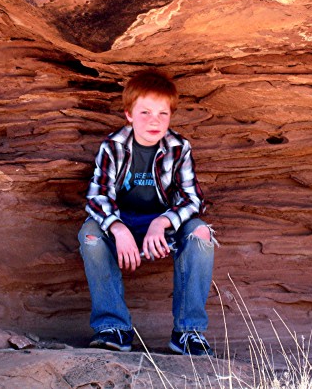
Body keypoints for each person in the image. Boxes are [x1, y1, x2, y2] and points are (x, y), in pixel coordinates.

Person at [78, 70, 217, 356]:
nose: (154, 121)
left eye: (162, 114)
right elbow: (97, 196)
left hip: (163, 228)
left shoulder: (178, 148)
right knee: (90, 234)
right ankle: (113, 327)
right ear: (129, 114)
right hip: (122, 225)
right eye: (145, 112)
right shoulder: (113, 146)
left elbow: (193, 199)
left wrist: (162, 222)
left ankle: (188, 332)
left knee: (201, 232)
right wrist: (117, 228)